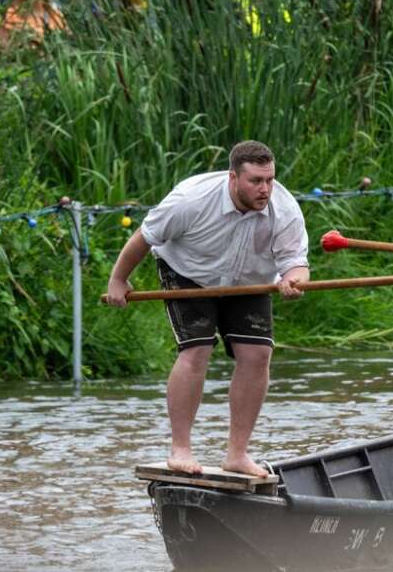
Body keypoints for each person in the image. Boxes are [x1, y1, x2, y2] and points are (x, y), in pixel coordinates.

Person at [101, 141, 309, 478]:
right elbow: (145, 236)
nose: (265, 189)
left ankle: (237, 454)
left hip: (248, 280)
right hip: (187, 271)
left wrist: (294, 281)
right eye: (255, 181)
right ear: (232, 177)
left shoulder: (284, 209)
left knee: (257, 355)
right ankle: (180, 448)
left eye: (270, 180)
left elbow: (296, 262)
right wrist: (118, 280)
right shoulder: (191, 200)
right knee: (196, 351)